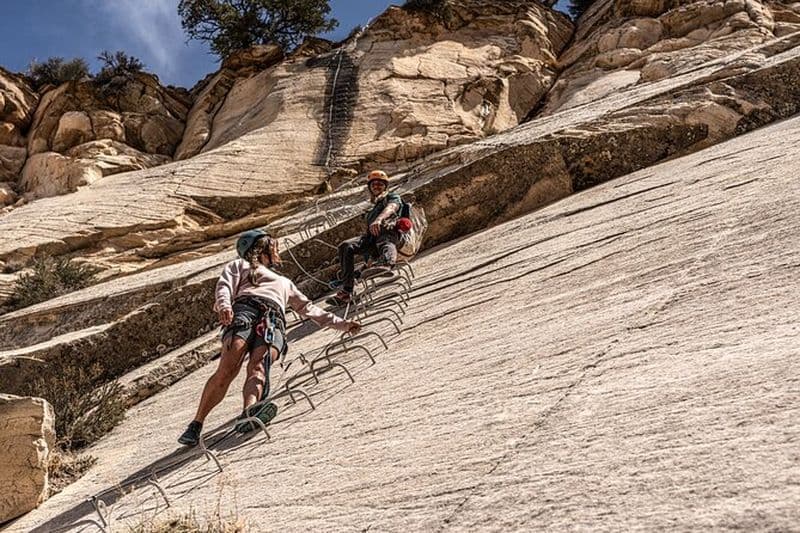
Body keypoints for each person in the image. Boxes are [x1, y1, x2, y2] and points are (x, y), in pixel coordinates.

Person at [178, 229, 361, 446]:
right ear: (260, 247)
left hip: (273, 319)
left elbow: (308, 308)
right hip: (245, 311)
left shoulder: (285, 282)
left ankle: (249, 412)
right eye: (272, 245)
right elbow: (224, 286)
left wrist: (342, 324)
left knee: (259, 368)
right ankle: (196, 424)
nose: (276, 249)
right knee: (228, 369)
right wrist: (225, 305)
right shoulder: (240, 266)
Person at [334, 170, 402, 303]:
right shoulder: (371, 209)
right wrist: (367, 262)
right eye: (373, 184)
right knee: (345, 246)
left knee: (384, 238)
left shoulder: (392, 197)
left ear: (385, 186)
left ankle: (387, 263)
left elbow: (393, 207)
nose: (376, 186)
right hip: (372, 240)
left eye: (380, 184)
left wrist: (379, 219)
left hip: (388, 232)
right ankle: (347, 289)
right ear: (370, 188)